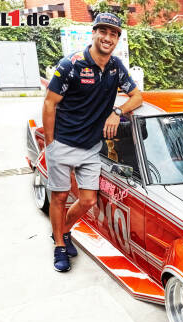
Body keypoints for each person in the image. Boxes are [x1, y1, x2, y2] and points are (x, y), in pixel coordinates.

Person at [43, 12, 142, 272]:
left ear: (117, 39)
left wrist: (117, 112)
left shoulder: (115, 67)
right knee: (60, 197)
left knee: (87, 200)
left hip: (90, 148)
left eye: (114, 34)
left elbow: (136, 97)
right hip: (63, 143)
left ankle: (62, 232)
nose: (108, 38)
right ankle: (59, 246)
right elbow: (50, 102)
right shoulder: (70, 64)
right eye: (104, 32)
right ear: (94, 32)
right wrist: (51, 144)